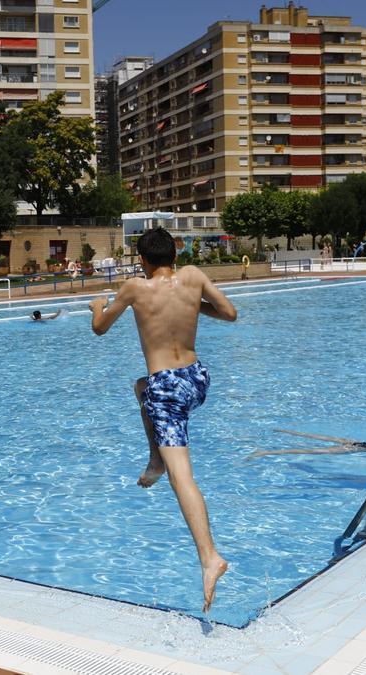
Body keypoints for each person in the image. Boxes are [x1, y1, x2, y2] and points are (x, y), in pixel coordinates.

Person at [88, 227, 236, 613]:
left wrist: (96, 306)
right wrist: (192, 304)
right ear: (175, 253)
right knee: (142, 389)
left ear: (142, 260)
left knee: (181, 476)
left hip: (166, 389)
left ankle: (209, 557)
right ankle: (154, 457)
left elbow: (100, 329)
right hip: (197, 380)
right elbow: (229, 313)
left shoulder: (134, 288)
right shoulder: (193, 277)